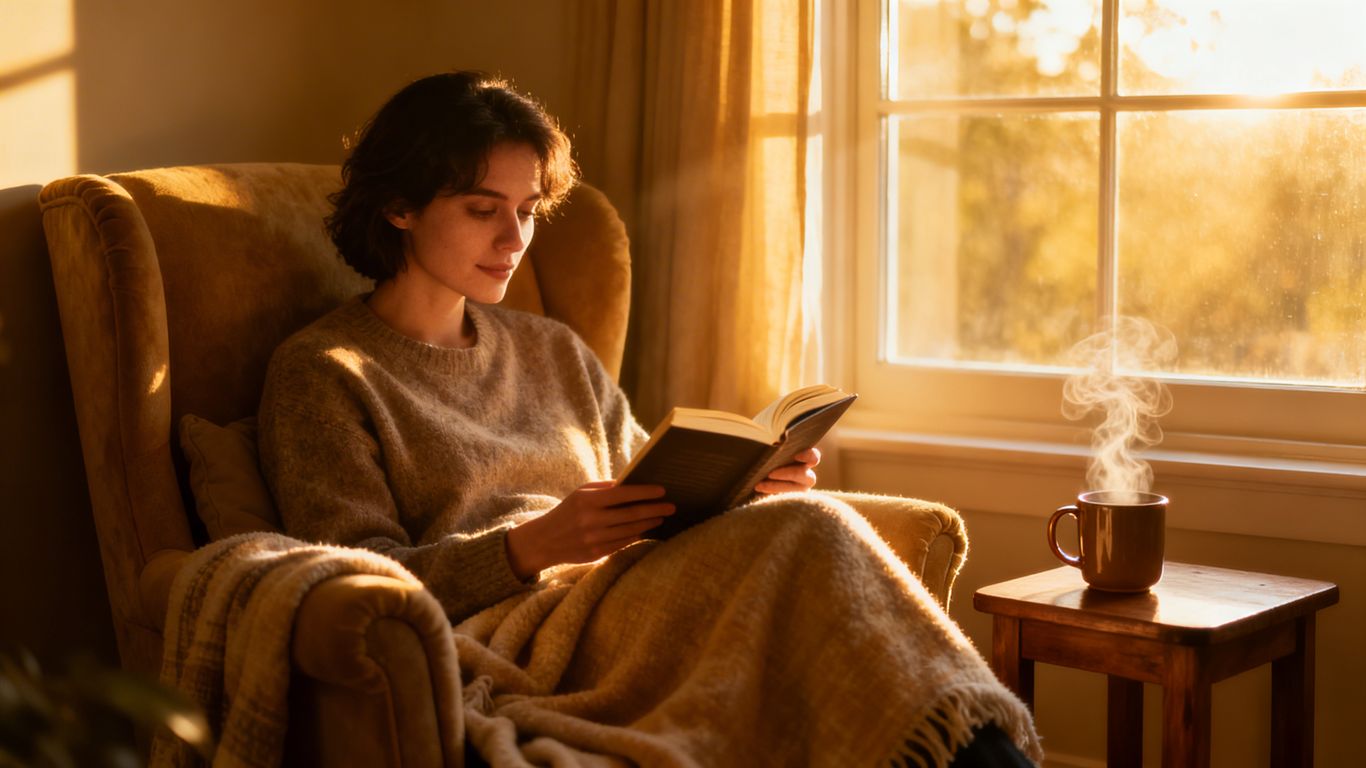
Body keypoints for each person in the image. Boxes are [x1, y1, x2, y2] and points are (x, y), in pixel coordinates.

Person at [258, 71, 1040, 766]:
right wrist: (530, 548)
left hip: (629, 591)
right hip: (517, 631)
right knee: (817, 532)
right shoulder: (324, 373)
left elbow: (645, 484)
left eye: (527, 211)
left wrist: (745, 488)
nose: (515, 239)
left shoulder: (551, 349)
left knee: (806, 522)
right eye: (482, 209)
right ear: (398, 206)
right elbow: (353, 579)